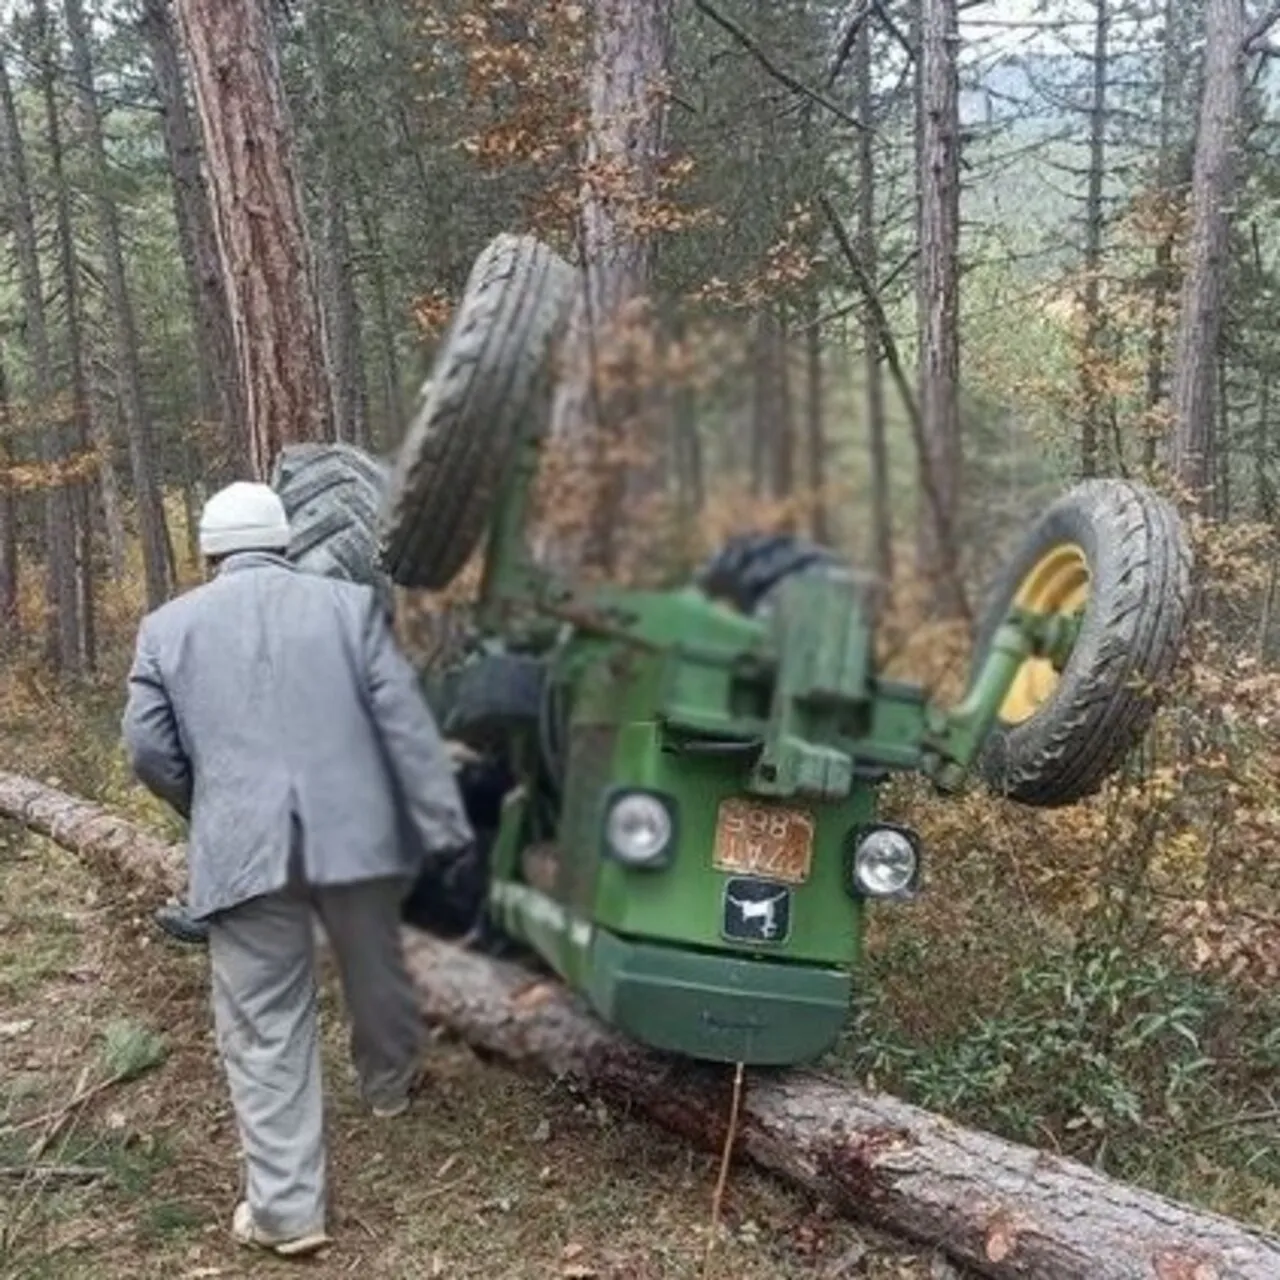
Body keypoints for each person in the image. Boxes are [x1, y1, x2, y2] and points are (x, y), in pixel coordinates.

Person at [122, 480, 480, 1257]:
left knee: (265, 1023)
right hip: (356, 841)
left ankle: (287, 1214)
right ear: (285, 540)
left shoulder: (166, 629)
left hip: (247, 851)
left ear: (212, 550)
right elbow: (404, 725)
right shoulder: (351, 608)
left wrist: (209, 804)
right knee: (376, 968)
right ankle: (388, 1087)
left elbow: (147, 749)